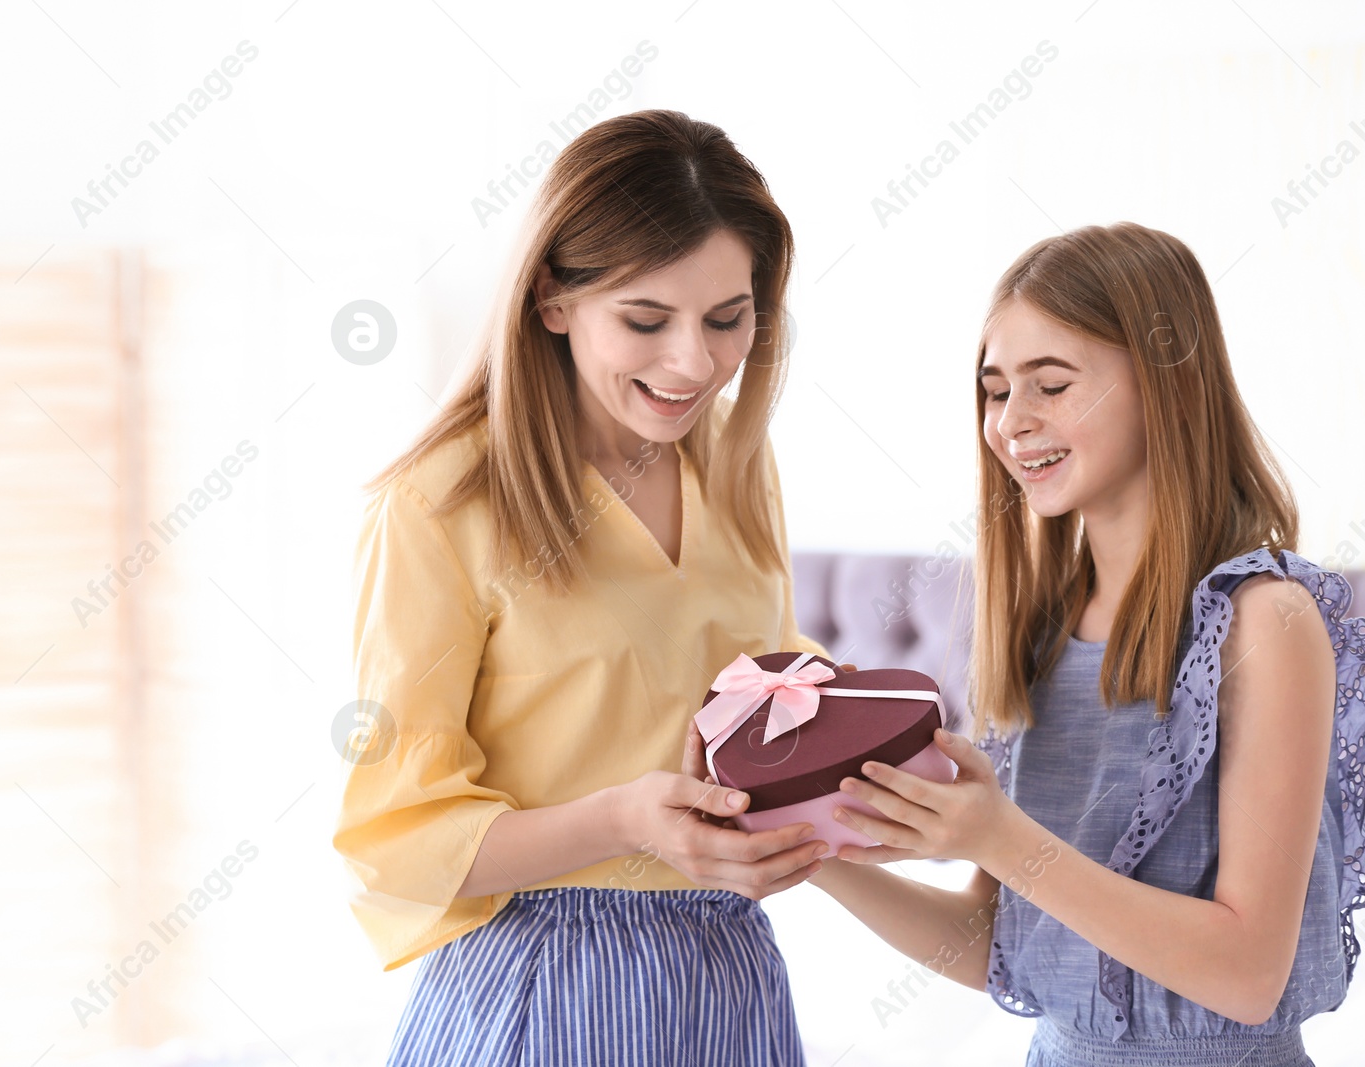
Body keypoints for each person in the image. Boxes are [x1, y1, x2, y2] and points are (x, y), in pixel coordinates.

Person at [334, 109, 834, 1066]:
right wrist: (619, 820)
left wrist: (846, 765)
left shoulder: (734, 462)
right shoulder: (440, 504)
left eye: (728, 320)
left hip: (727, 974)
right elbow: (394, 838)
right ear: (553, 299)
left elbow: (753, 689)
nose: (693, 363)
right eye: (645, 321)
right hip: (543, 988)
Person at [802, 223, 1365, 1065]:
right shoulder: (1038, 628)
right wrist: (810, 855)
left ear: (1165, 384)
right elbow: (997, 942)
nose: (1010, 423)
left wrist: (999, 836)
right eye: (994, 391)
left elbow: (1248, 972)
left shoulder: (1265, 620)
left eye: (1051, 385)